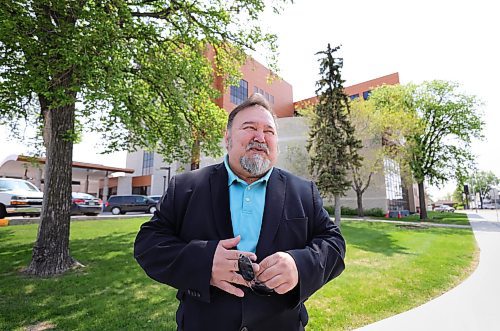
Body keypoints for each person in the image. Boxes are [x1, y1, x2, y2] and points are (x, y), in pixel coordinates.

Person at [134, 93, 346, 330]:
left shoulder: (303, 191)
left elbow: (334, 243)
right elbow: (148, 244)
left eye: (269, 131)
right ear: (227, 138)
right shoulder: (185, 187)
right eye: (249, 127)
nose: (260, 137)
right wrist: (203, 262)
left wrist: (299, 265)